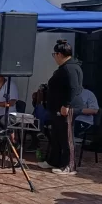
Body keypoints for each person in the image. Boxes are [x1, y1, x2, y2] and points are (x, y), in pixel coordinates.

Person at [37, 39, 83, 175]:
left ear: (59, 54)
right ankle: (53, 161)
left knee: (66, 138)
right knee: (56, 136)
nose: (54, 58)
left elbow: (74, 88)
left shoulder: (71, 68)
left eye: (54, 55)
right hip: (56, 108)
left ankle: (69, 165)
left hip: (67, 108)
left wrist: (66, 105)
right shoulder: (64, 68)